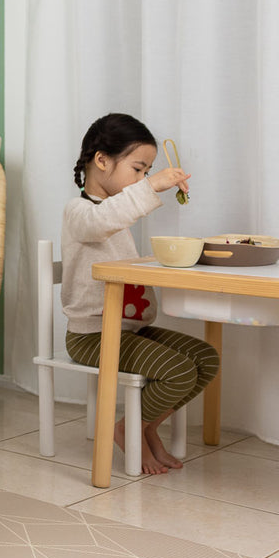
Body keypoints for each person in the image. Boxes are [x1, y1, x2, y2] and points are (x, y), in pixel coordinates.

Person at [61, 112, 219, 475]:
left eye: (146, 172)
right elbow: (101, 221)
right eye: (138, 169)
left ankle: (146, 429)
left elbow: (117, 227)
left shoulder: (118, 218)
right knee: (178, 371)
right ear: (101, 161)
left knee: (206, 359)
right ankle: (127, 429)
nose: (142, 179)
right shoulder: (80, 212)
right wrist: (153, 187)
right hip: (91, 336)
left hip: (127, 329)